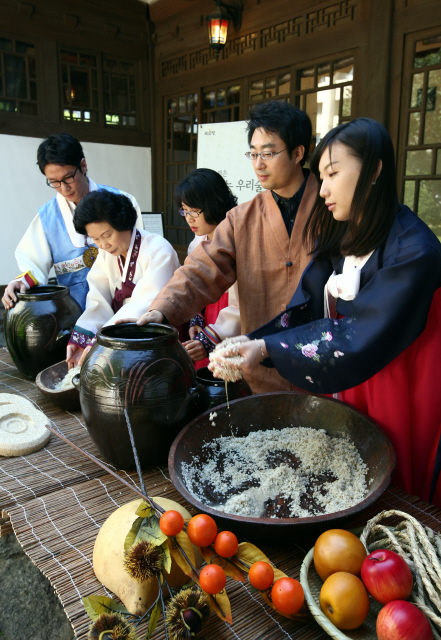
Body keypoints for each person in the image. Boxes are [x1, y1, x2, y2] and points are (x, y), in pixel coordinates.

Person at [219, 117, 441, 505]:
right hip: (357, 368)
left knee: (395, 468)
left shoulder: (414, 250)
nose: (323, 190)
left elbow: (362, 333)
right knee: (355, 459)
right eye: (321, 177)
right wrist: (255, 341)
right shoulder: (345, 235)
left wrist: (269, 348)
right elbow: (306, 304)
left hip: (401, 375)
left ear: (373, 171)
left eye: (333, 174)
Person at [118, 100, 318, 393]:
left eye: (268, 153)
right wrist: (163, 309)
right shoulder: (241, 219)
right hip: (260, 368)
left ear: (298, 153)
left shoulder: (331, 210)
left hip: (318, 366)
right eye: (253, 153)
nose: (258, 164)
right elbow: (201, 268)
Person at [1, 133, 143, 312]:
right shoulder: (48, 218)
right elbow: (33, 263)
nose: (64, 188)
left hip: (124, 308)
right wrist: (19, 282)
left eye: (68, 178)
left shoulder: (121, 201)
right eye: (54, 182)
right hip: (73, 313)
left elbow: (141, 255)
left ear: (83, 165)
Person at [65, 190, 179, 368]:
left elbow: (146, 304)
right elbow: (97, 297)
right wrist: (82, 338)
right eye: (95, 239)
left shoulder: (158, 249)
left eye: (107, 235)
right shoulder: (106, 254)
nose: (103, 245)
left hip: (155, 342)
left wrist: (98, 342)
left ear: (123, 223)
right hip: (121, 341)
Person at [176, 169, 240, 369]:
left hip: (232, 322)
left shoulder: (239, 240)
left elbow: (244, 305)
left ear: (213, 204)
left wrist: (211, 337)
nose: (189, 218)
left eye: (194, 211)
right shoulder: (197, 243)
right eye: (184, 211)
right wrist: (197, 317)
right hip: (210, 319)